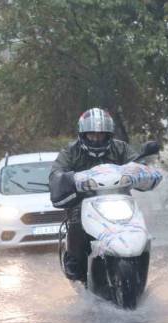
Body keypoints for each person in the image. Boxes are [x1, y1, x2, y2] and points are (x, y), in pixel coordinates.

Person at [49, 108, 139, 282]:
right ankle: (73, 259)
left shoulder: (120, 148)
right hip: (83, 201)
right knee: (76, 221)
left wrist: (140, 169)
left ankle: (139, 250)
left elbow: (137, 164)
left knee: (136, 217)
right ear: (83, 135)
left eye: (101, 135)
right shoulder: (70, 151)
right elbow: (56, 173)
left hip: (119, 199)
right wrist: (65, 179)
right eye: (92, 135)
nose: (96, 139)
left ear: (109, 135)